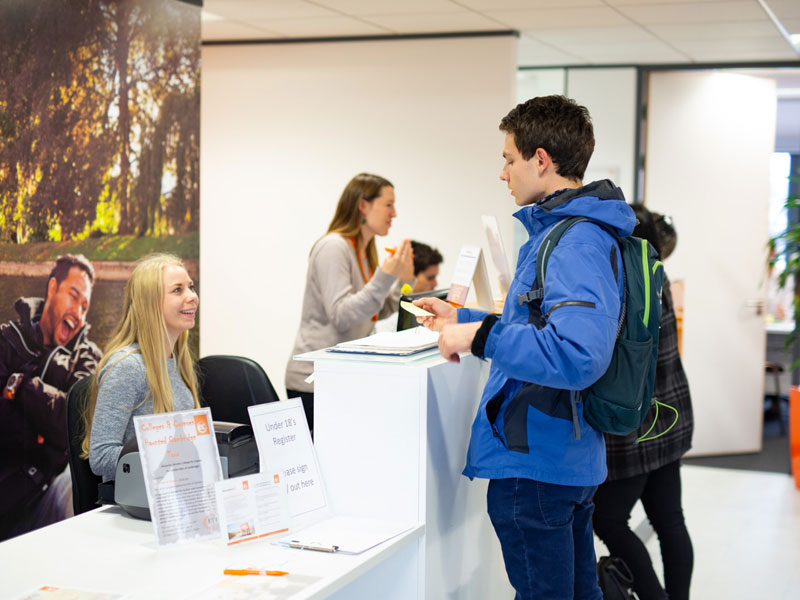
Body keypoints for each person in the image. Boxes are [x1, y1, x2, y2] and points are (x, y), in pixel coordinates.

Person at [415, 95, 634, 599]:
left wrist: (477, 337)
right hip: (562, 456)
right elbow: (536, 322)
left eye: (509, 159)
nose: (503, 173)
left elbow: (579, 354)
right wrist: (464, 318)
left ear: (541, 160)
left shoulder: (573, 241)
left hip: (538, 463)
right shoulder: (574, 233)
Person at [592, 204, 694, 600]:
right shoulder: (656, 272)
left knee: (608, 518)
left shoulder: (625, 280)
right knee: (670, 519)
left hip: (638, 422)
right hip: (670, 412)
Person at [285, 173, 414, 431]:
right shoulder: (334, 247)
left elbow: (374, 310)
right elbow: (342, 315)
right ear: (363, 206)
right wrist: (385, 275)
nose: (394, 213)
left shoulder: (363, 251)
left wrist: (404, 282)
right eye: (388, 204)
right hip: (314, 380)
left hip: (340, 377)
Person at [0, 254, 101, 540]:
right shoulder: (6, 340)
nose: (79, 312)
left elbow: (74, 420)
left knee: (73, 482)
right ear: (53, 288)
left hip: (46, 500)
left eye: (85, 306)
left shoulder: (88, 359)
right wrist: (44, 437)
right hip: (6, 494)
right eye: (73, 296)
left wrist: (20, 386)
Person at [82, 253, 200, 481]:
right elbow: (100, 457)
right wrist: (168, 459)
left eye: (191, 287)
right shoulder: (127, 368)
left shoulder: (178, 362)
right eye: (178, 290)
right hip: (138, 502)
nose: (192, 297)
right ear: (150, 303)